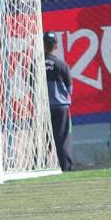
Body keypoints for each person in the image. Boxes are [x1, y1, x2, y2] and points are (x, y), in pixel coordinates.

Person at [44, 32, 74, 172]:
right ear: (56, 46)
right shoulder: (62, 65)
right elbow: (69, 88)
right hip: (61, 107)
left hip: (43, 108)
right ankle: (66, 167)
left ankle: (39, 166)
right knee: (62, 139)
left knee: (43, 141)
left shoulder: (35, 64)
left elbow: (30, 86)